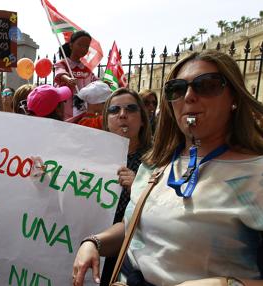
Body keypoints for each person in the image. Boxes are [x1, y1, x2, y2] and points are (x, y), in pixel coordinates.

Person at [72, 50, 263, 286]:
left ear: (234, 97)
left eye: (207, 85)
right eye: (178, 89)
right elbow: (135, 225)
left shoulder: (256, 174)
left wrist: (227, 284)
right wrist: (94, 242)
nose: (190, 96)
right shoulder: (155, 164)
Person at [99, 88, 152, 286]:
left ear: (143, 119)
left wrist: (139, 187)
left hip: (131, 257)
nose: (122, 115)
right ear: (106, 120)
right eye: (114, 110)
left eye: (131, 109)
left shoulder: (156, 159)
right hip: (93, 245)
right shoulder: (91, 155)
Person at [54, 30, 98, 119]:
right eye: (80, 45)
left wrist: (103, 83)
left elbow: (94, 80)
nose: (83, 49)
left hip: (82, 109)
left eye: (86, 46)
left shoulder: (86, 68)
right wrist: (67, 79)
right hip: (65, 108)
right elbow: (60, 73)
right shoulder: (63, 64)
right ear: (71, 45)